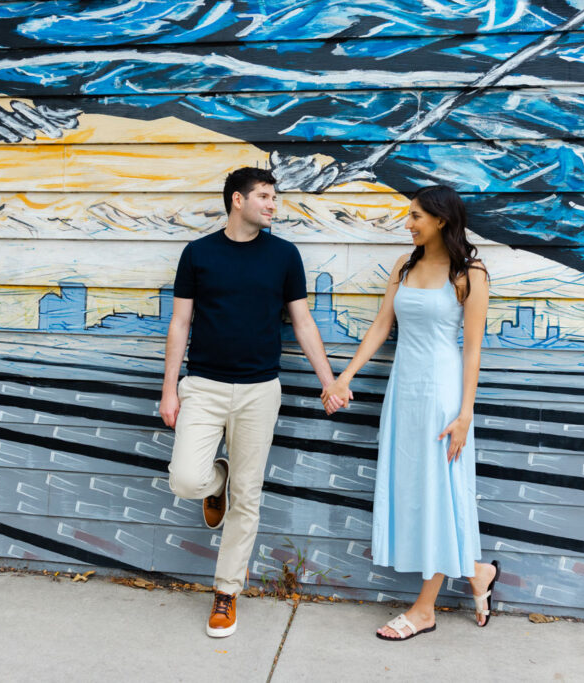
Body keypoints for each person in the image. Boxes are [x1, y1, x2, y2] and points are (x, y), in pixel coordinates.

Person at [160, 166, 343, 638]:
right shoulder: (198, 253)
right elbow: (180, 323)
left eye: (274, 197)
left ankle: (226, 591)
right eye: (264, 196)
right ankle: (213, 477)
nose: (272, 204)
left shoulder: (284, 255)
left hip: (261, 390)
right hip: (203, 386)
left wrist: (328, 381)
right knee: (185, 479)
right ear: (237, 200)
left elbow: (302, 323)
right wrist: (168, 388)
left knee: (248, 497)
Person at [322, 184, 500, 640]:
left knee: (440, 492)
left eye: (416, 216)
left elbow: (473, 351)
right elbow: (383, 325)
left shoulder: (470, 273)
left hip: (443, 396)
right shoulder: (405, 265)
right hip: (404, 392)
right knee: (416, 491)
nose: (408, 224)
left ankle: (424, 609)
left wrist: (465, 415)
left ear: (441, 220)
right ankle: (477, 571)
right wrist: (345, 377)